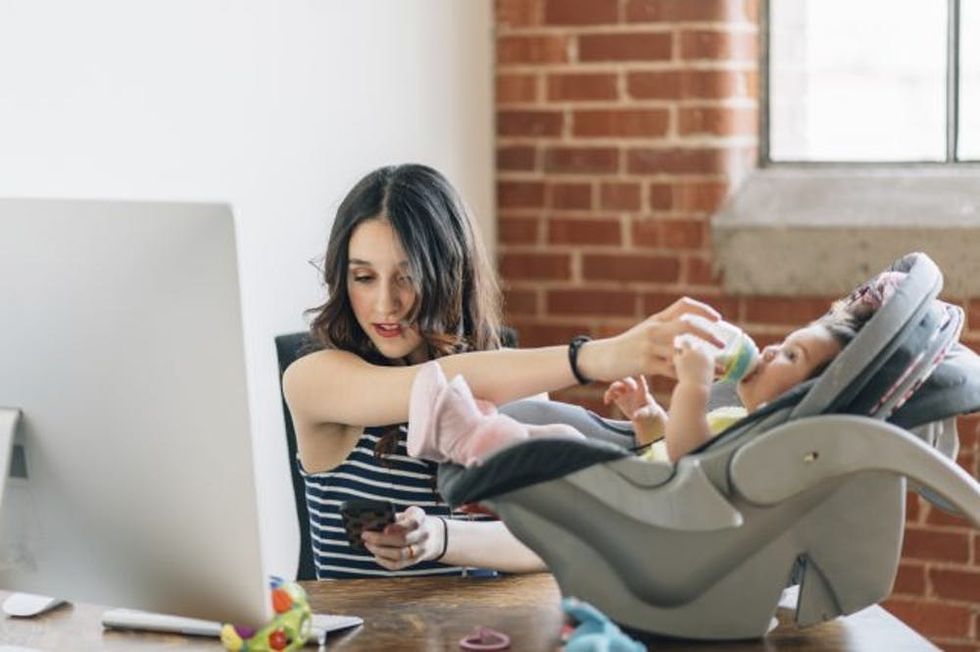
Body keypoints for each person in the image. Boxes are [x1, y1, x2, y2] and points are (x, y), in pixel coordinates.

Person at [282, 163, 723, 578]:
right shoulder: (313, 379)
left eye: (407, 276)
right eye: (364, 277)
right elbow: (433, 387)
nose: (385, 304)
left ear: (450, 273)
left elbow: (549, 538)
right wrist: (597, 357)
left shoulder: (506, 378)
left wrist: (440, 537)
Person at [407, 270, 906, 467]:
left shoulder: (761, 448)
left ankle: (464, 435)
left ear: (809, 402)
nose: (771, 351)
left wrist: (692, 384)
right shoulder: (742, 425)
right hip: (649, 492)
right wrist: (647, 417)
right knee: (559, 429)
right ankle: (474, 426)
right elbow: (670, 448)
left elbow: (689, 456)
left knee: (560, 449)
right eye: (784, 344)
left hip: (648, 514)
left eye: (792, 358)